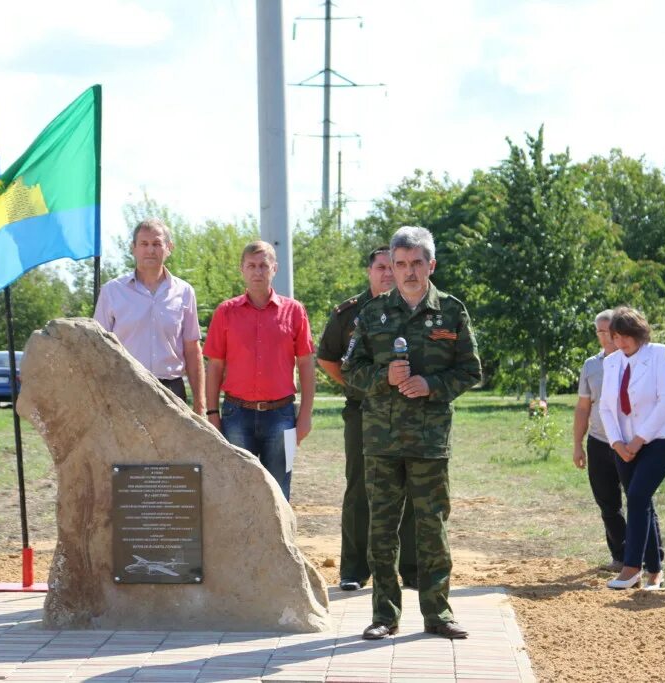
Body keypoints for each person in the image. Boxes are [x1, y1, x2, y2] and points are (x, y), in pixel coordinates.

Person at [342, 226, 481, 640]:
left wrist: (431, 385)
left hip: (429, 441)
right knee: (381, 531)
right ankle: (384, 616)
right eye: (400, 264)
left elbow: (471, 371)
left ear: (431, 264)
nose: (407, 272)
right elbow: (351, 371)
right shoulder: (371, 313)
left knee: (431, 529)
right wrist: (384, 376)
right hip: (381, 441)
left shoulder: (451, 312)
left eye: (416, 263)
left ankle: (438, 613)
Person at [317, 247, 418, 592]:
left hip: (407, 411)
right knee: (360, 487)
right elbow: (327, 357)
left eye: (393, 267)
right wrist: (360, 384)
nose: (388, 274)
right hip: (363, 412)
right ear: (369, 272)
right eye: (380, 268)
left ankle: (411, 569)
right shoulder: (349, 313)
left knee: (408, 485)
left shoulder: (411, 306)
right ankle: (354, 570)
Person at [203, 240, 315, 500]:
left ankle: (279, 543)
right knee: (238, 490)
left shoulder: (294, 311)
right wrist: (212, 413)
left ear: (274, 268)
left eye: (263, 265)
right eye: (251, 266)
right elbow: (215, 365)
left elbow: (307, 364)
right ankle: (240, 543)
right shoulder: (225, 312)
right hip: (236, 416)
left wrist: (306, 415)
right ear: (242, 269)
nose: (258, 271)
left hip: (283, 417)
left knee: (279, 492)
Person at [598, 306, 665, 591]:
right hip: (623, 446)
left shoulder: (659, 353)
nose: (621, 343)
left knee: (636, 497)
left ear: (639, 332)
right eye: (615, 337)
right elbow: (606, 407)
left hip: (658, 440)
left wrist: (638, 439)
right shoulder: (611, 362)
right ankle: (655, 571)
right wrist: (617, 443)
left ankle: (631, 567)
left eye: (626, 337)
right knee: (641, 502)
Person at [93, 218, 205, 415]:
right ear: (133, 248)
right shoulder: (112, 291)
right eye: (144, 244)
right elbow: (97, 348)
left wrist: (200, 404)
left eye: (157, 244)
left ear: (169, 248)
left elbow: (192, 349)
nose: (150, 250)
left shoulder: (185, 292)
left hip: (172, 391)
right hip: (125, 389)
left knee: (172, 447)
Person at [573, 309, 629, 572]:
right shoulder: (591, 365)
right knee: (607, 503)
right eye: (600, 331)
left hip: (628, 441)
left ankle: (649, 558)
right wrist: (577, 445)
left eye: (610, 331)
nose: (605, 336)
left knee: (639, 500)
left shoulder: (631, 361)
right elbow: (583, 407)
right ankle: (621, 556)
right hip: (598, 440)